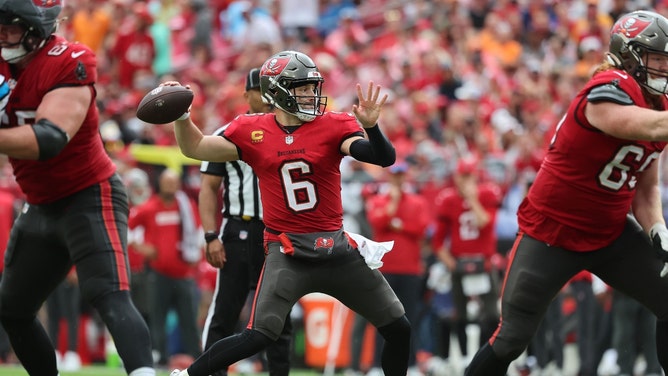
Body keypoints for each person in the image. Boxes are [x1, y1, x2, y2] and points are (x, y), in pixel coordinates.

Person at [167, 50, 410, 376]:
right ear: (279, 91)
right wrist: (182, 117)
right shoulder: (251, 130)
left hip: (335, 250)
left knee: (398, 326)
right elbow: (195, 148)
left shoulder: (333, 125)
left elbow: (382, 158)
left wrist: (373, 128)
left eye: (313, 87)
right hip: (287, 251)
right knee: (258, 335)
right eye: (303, 87)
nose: (312, 94)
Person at [464, 10, 668, 375]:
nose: (665, 68)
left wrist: (657, 229)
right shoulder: (609, 89)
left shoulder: (658, 106)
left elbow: (646, 186)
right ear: (630, 55)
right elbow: (643, 126)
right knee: (512, 338)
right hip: (552, 233)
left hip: (610, 234)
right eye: (657, 59)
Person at [0, 1, 155, 375]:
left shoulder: (68, 59)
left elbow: (49, 138)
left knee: (109, 295)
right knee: (12, 310)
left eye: (9, 25)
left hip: (88, 195)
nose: (1, 33)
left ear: (36, 27)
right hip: (39, 204)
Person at [198, 67, 291, 375]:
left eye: (271, 89)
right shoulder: (229, 131)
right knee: (225, 311)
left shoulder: (287, 127)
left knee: (279, 315)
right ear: (246, 94)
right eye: (260, 89)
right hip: (239, 227)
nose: (266, 97)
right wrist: (211, 235)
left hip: (277, 231)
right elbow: (209, 187)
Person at [432, 156, 502, 371]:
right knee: (459, 314)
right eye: (462, 176)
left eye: (468, 176)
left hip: (484, 263)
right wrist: (450, 262)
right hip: (460, 263)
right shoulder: (448, 199)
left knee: (490, 314)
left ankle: (487, 355)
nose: (465, 181)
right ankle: (463, 358)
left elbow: (485, 223)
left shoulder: (487, 194)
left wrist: (472, 200)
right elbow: (438, 241)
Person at [129, 168, 203, 366]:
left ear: (179, 184)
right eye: (167, 182)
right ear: (160, 184)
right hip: (158, 274)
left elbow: (198, 231)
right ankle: (161, 359)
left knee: (189, 321)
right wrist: (140, 247)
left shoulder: (186, 207)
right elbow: (127, 227)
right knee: (157, 319)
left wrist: (197, 255)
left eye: (174, 182)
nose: (170, 186)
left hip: (184, 274)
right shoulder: (150, 207)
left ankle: (197, 360)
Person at [364, 161, 430, 376]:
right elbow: (377, 222)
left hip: (410, 269)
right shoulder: (380, 200)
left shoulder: (416, 201)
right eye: (395, 176)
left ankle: (409, 365)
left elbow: (421, 228)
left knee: (409, 318)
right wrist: (392, 206)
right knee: (382, 317)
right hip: (385, 267)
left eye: (401, 176)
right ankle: (376, 365)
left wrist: (398, 224)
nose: (398, 180)